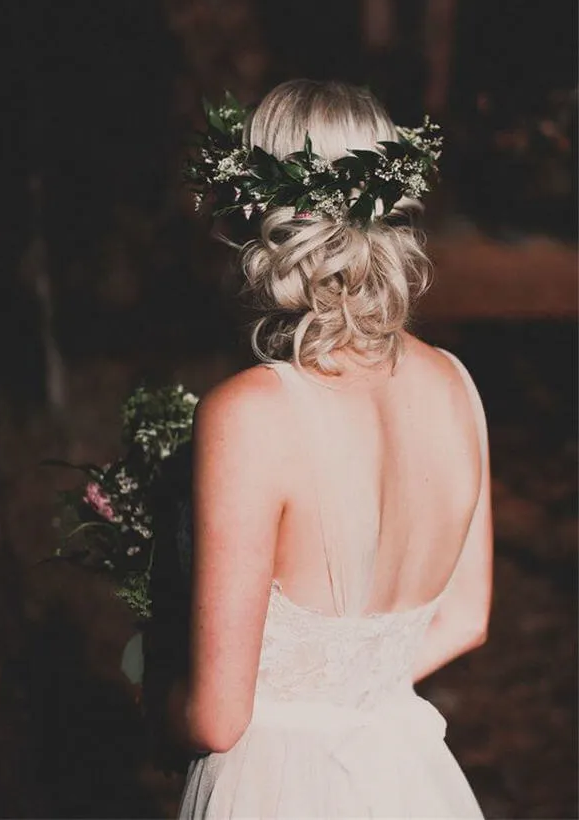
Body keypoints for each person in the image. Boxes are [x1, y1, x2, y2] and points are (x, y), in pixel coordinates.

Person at [169, 79, 492, 818]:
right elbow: (466, 616)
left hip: (275, 788)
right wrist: (353, 693)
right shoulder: (457, 385)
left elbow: (218, 718)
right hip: (405, 774)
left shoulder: (249, 414)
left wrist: (154, 696)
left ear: (258, 213)